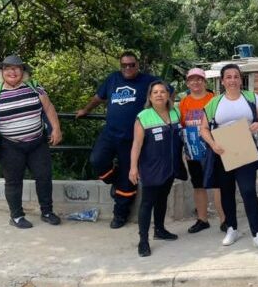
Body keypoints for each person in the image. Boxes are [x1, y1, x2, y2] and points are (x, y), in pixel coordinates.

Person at [76, 51, 162, 229]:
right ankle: (113, 179)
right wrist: (86, 110)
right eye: (124, 65)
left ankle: (120, 215)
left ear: (137, 65)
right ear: (120, 66)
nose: (128, 68)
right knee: (97, 160)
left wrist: (160, 113)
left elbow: (166, 91)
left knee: (127, 178)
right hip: (110, 133)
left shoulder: (148, 81)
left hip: (133, 138)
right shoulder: (113, 79)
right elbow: (98, 98)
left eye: (132, 65)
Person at [0, 55, 63, 229]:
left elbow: (48, 107)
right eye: (8, 68)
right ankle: (16, 216)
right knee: (13, 181)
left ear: (23, 72)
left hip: (37, 143)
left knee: (44, 177)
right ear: (2, 72)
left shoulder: (34, 87)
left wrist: (56, 129)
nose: (12, 71)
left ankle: (47, 212)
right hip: (10, 146)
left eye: (17, 68)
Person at [199, 64, 258, 251]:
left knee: (248, 190)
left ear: (241, 79)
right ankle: (232, 228)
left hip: (245, 150)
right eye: (228, 77)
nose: (232, 80)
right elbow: (204, 129)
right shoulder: (213, 103)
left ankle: (257, 233)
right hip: (223, 152)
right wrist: (213, 144)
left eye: (236, 76)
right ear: (222, 81)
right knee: (227, 192)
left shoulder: (251, 98)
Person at [129, 81, 183, 257]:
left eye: (162, 92)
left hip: (170, 166)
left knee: (162, 199)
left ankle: (159, 229)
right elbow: (136, 144)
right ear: (150, 97)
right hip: (151, 167)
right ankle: (143, 241)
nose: (159, 95)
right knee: (147, 203)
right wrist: (133, 168)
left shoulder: (175, 112)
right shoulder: (143, 117)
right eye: (155, 92)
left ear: (168, 95)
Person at [178, 68, 226, 234]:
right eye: (192, 80)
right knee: (198, 185)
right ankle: (202, 219)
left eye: (199, 79)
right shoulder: (184, 102)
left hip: (212, 148)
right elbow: (182, 125)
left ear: (204, 82)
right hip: (193, 150)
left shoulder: (213, 99)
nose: (196, 82)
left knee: (218, 185)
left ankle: (224, 220)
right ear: (187, 83)